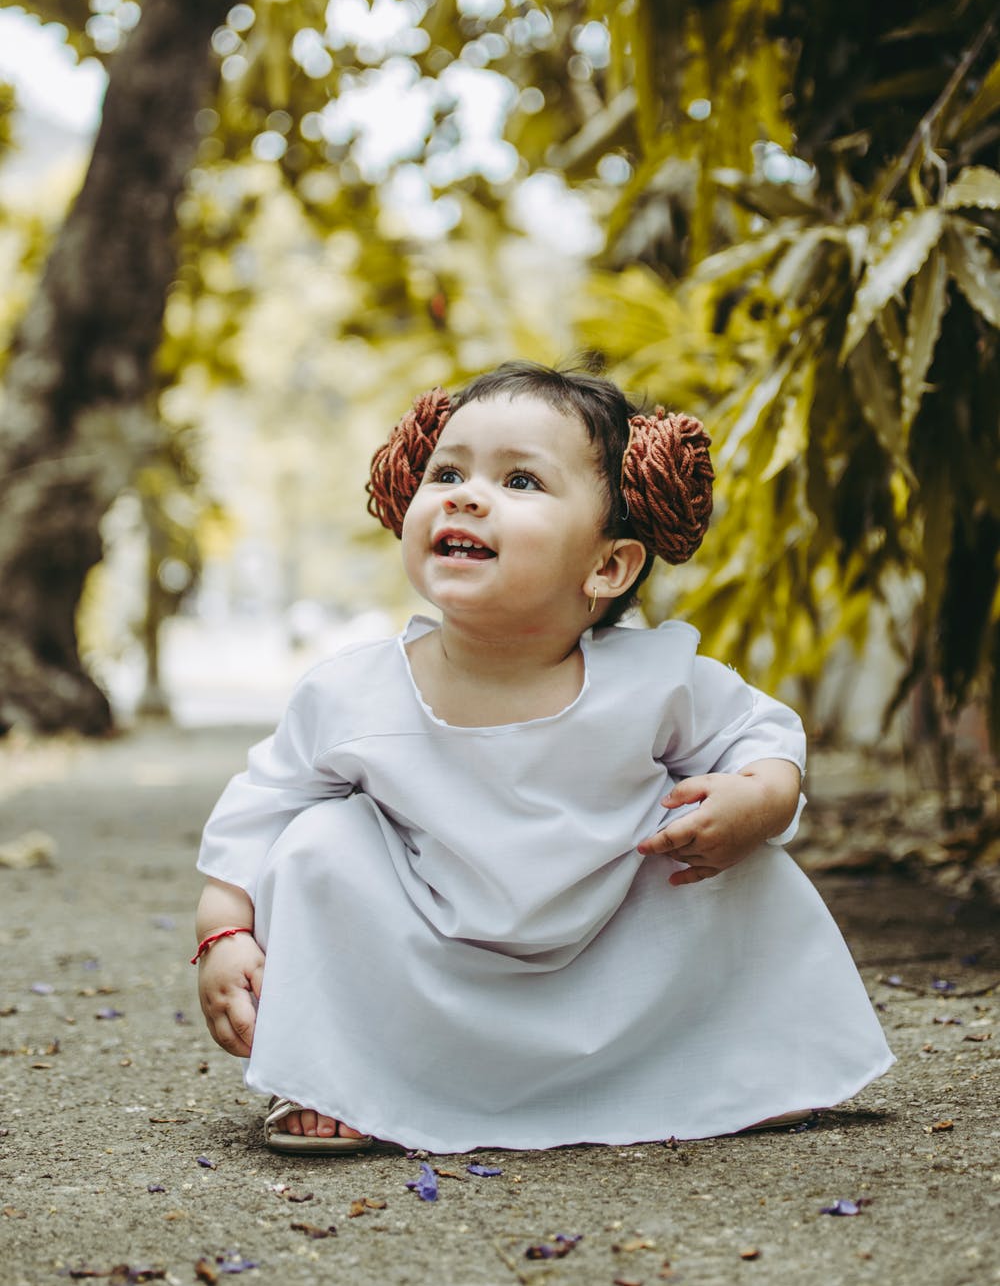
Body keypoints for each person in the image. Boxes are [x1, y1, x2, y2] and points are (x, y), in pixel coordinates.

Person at [193, 362, 893, 1155]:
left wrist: (759, 799)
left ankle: (743, 1062)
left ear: (608, 566)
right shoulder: (351, 694)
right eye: (447, 473)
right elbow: (261, 808)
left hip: (612, 959)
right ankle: (337, 1074)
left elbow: (761, 737)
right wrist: (224, 931)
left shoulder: (655, 679)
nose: (465, 496)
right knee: (319, 842)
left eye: (520, 480)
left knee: (726, 844)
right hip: (429, 963)